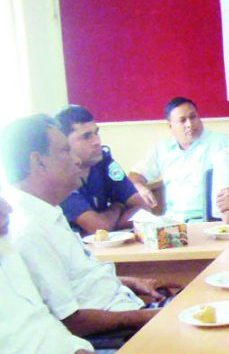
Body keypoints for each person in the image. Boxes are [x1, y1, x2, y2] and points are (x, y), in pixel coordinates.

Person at [0, 115, 175, 341]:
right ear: (38, 162)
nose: (75, 160)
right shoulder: (30, 229)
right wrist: (151, 316)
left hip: (126, 309)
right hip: (115, 335)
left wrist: (130, 282)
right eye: (65, 151)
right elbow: (73, 321)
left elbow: (74, 283)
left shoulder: (47, 211)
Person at [0, 183, 95, 354]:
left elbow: (41, 321)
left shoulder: (6, 249)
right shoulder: (28, 232)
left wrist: (77, 348)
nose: (8, 209)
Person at [128, 97, 229, 221]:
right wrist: (140, 187)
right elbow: (134, 175)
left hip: (211, 220)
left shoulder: (221, 142)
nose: (189, 124)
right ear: (170, 126)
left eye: (193, 117)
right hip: (174, 221)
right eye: (182, 120)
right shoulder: (163, 148)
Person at [55, 105, 147, 235]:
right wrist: (118, 207)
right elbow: (99, 228)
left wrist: (108, 223)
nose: (96, 141)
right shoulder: (59, 175)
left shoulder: (103, 161)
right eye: (86, 136)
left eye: (96, 133)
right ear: (65, 143)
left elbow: (143, 209)